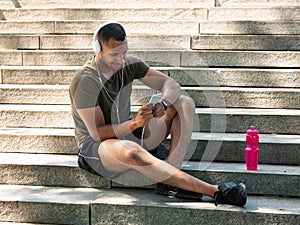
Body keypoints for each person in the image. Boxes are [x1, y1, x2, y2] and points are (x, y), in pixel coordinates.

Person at [69, 22, 247, 207]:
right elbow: (97, 133)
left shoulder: (129, 64)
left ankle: (169, 177)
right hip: (97, 147)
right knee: (130, 150)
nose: (120, 60)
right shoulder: (84, 81)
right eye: (114, 54)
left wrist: (163, 103)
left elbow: (171, 84)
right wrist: (135, 123)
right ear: (97, 49)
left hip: (129, 132)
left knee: (184, 103)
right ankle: (216, 191)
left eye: (124, 52)